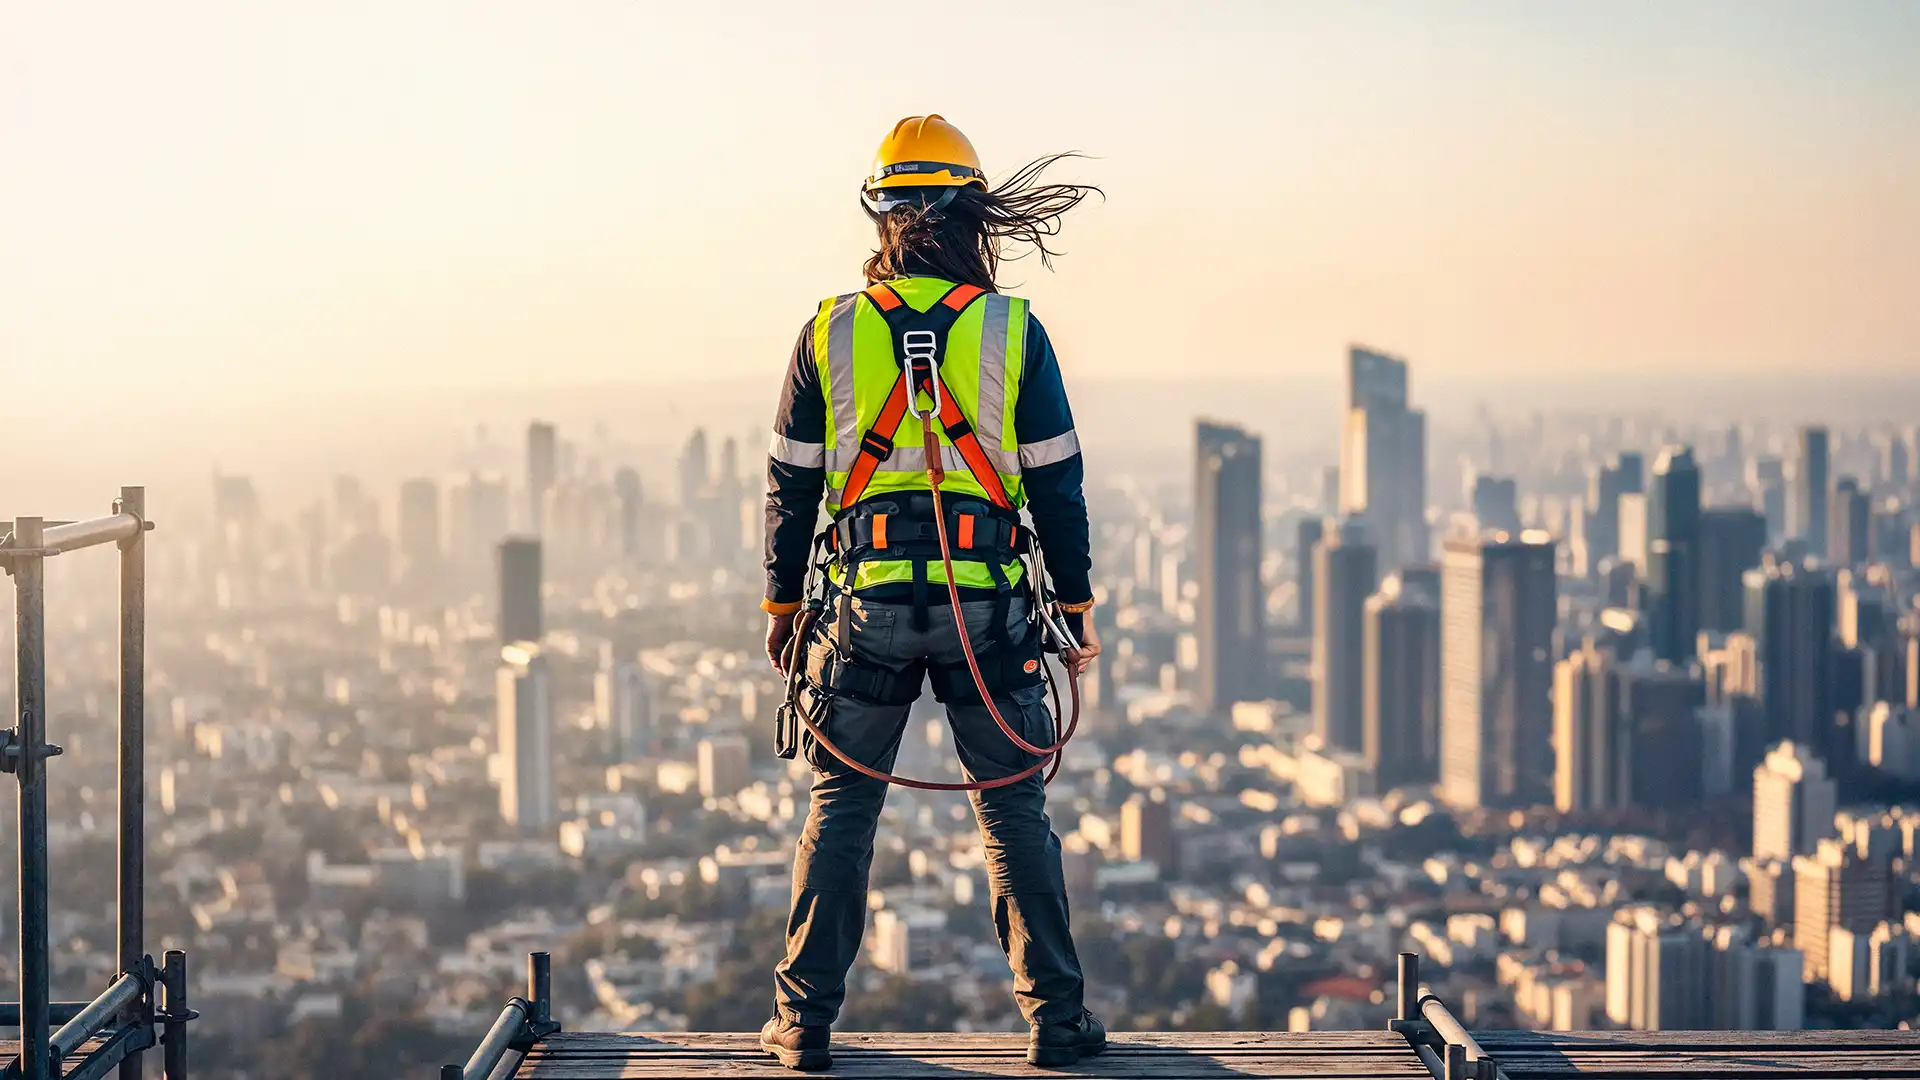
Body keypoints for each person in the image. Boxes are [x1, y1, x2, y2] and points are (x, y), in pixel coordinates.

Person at [757, 114, 1105, 1070]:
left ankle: (802, 1023)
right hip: (987, 607)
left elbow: (790, 485)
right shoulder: (1012, 331)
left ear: (881, 215)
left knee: (842, 804)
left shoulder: (828, 331)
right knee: (1012, 810)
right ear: (972, 214)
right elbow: (1057, 486)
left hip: (865, 602)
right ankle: (1057, 1021)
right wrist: (1075, 607)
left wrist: (782, 606)